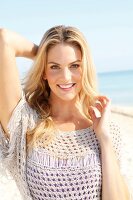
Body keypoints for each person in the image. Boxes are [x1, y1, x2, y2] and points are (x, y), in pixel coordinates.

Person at [0, 25, 130, 200]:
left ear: (85, 67)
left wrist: (104, 139)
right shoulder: (25, 124)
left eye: (74, 65)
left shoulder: (107, 130)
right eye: (54, 67)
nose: (66, 77)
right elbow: (4, 40)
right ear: (43, 71)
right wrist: (42, 56)